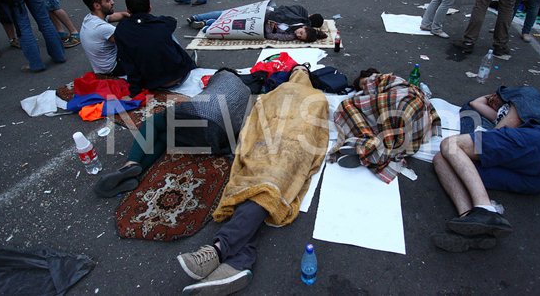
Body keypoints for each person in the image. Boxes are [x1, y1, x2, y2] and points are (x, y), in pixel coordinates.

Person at [177, 65, 328, 295]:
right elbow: (257, 117)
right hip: (268, 141)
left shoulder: (317, 98)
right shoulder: (274, 93)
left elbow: (317, 130)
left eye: (303, 70)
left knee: (271, 179)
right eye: (296, 70)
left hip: (293, 144)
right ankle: (239, 262)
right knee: (252, 178)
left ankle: (220, 249)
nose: (299, 73)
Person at [431, 86, 540, 252]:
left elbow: (497, 134)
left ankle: (485, 209)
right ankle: (470, 223)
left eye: (494, 98)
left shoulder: (526, 96)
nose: (491, 100)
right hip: (537, 177)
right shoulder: (503, 113)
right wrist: (490, 101)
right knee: (442, 160)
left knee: (450, 144)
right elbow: (473, 103)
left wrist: (498, 95)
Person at [93, 68, 251, 198]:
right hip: (215, 137)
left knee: (154, 122)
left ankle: (131, 164)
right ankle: (135, 175)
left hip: (198, 113)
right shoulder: (246, 92)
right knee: (166, 138)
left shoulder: (221, 76)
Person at [329, 69, 441, 183]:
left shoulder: (379, 78)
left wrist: (362, 91)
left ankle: (369, 147)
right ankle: (370, 151)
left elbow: (367, 98)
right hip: (418, 120)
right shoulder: (405, 86)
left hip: (405, 101)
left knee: (347, 105)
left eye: (363, 84)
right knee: (388, 124)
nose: (364, 87)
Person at [113, 0, 196, 96]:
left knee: (153, 39)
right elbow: (171, 21)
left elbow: (129, 64)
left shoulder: (121, 30)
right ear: (150, 7)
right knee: (165, 35)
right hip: (180, 74)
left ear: (128, 10)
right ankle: (189, 63)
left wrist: (134, 92)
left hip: (153, 83)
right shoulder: (161, 23)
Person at [186, 5, 327, 42]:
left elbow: (272, 35)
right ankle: (207, 24)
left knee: (230, 14)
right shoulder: (298, 21)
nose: (298, 34)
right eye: (301, 32)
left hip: (262, 18)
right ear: (306, 27)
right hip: (262, 17)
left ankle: (203, 21)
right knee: (232, 19)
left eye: (300, 36)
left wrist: (269, 26)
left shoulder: (299, 15)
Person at [79, 0, 129, 75]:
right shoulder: (103, 28)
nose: (112, 2)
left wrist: (131, 16)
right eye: (108, 0)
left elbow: (121, 15)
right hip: (112, 69)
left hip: (100, 67)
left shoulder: (90, 18)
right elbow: (131, 42)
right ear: (97, 5)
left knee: (125, 22)